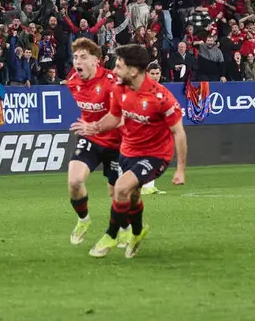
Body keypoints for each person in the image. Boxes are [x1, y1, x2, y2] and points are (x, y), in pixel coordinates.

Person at [70, 44, 187, 259]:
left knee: (121, 189)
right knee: (131, 196)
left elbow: (178, 132)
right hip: (128, 151)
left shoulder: (161, 97)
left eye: (119, 66)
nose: (114, 71)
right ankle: (136, 232)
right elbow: (114, 118)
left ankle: (111, 235)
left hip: (155, 155)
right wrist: (93, 128)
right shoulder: (120, 90)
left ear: (133, 71)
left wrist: (180, 169)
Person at [64, 38, 122, 246]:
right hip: (89, 138)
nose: (77, 61)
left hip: (116, 142)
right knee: (74, 181)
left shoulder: (112, 82)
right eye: (75, 57)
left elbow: (122, 117)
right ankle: (83, 219)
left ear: (96, 61)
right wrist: (90, 128)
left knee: (116, 192)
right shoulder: (73, 81)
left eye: (83, 57)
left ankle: (123, 229)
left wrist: (96, 126)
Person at [139, 62, 168, 197]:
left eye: (157, 74)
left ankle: (148, 186)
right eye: (153, 74)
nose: (155, 76)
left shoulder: (161, 89)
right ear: (147, 74)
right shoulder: (140, 88)